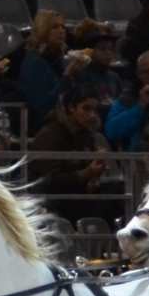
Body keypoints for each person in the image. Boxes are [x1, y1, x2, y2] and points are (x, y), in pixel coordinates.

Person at [31, 84, 116, 218]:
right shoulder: (50, 135)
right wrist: (87, 173)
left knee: (117, 189)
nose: (92, 115)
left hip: (79, 195)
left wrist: (95, 175)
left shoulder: (87, 134)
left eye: (95, 110)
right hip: (53, 200)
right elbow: (49, 182)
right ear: (71, 108)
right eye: (86, 109)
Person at [18, 10, 92, 132]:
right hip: (46, 125)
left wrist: (79, 74)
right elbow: (43, 106)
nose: (61, 30)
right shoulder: (34, 62)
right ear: (43, 31)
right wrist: (67, 76)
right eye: (54, 27)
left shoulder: (62, 59)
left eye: (63, 26)